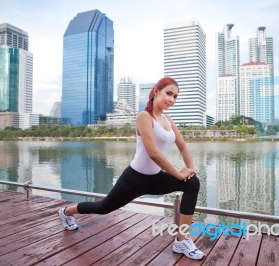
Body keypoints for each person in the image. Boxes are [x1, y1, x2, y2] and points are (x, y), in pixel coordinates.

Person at [58, 77, 204, 260]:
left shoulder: (168, 120)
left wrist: (190, 169)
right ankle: (66, 212)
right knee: (103, 208)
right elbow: (154, 154)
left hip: (155, 179)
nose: (172, 100)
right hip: (134, 180)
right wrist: (179, 174)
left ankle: (182, 240)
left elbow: (182, 146)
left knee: (192, 183)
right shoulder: (144, 117)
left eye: (175, 97)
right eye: (169, 93)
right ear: (156, 91)